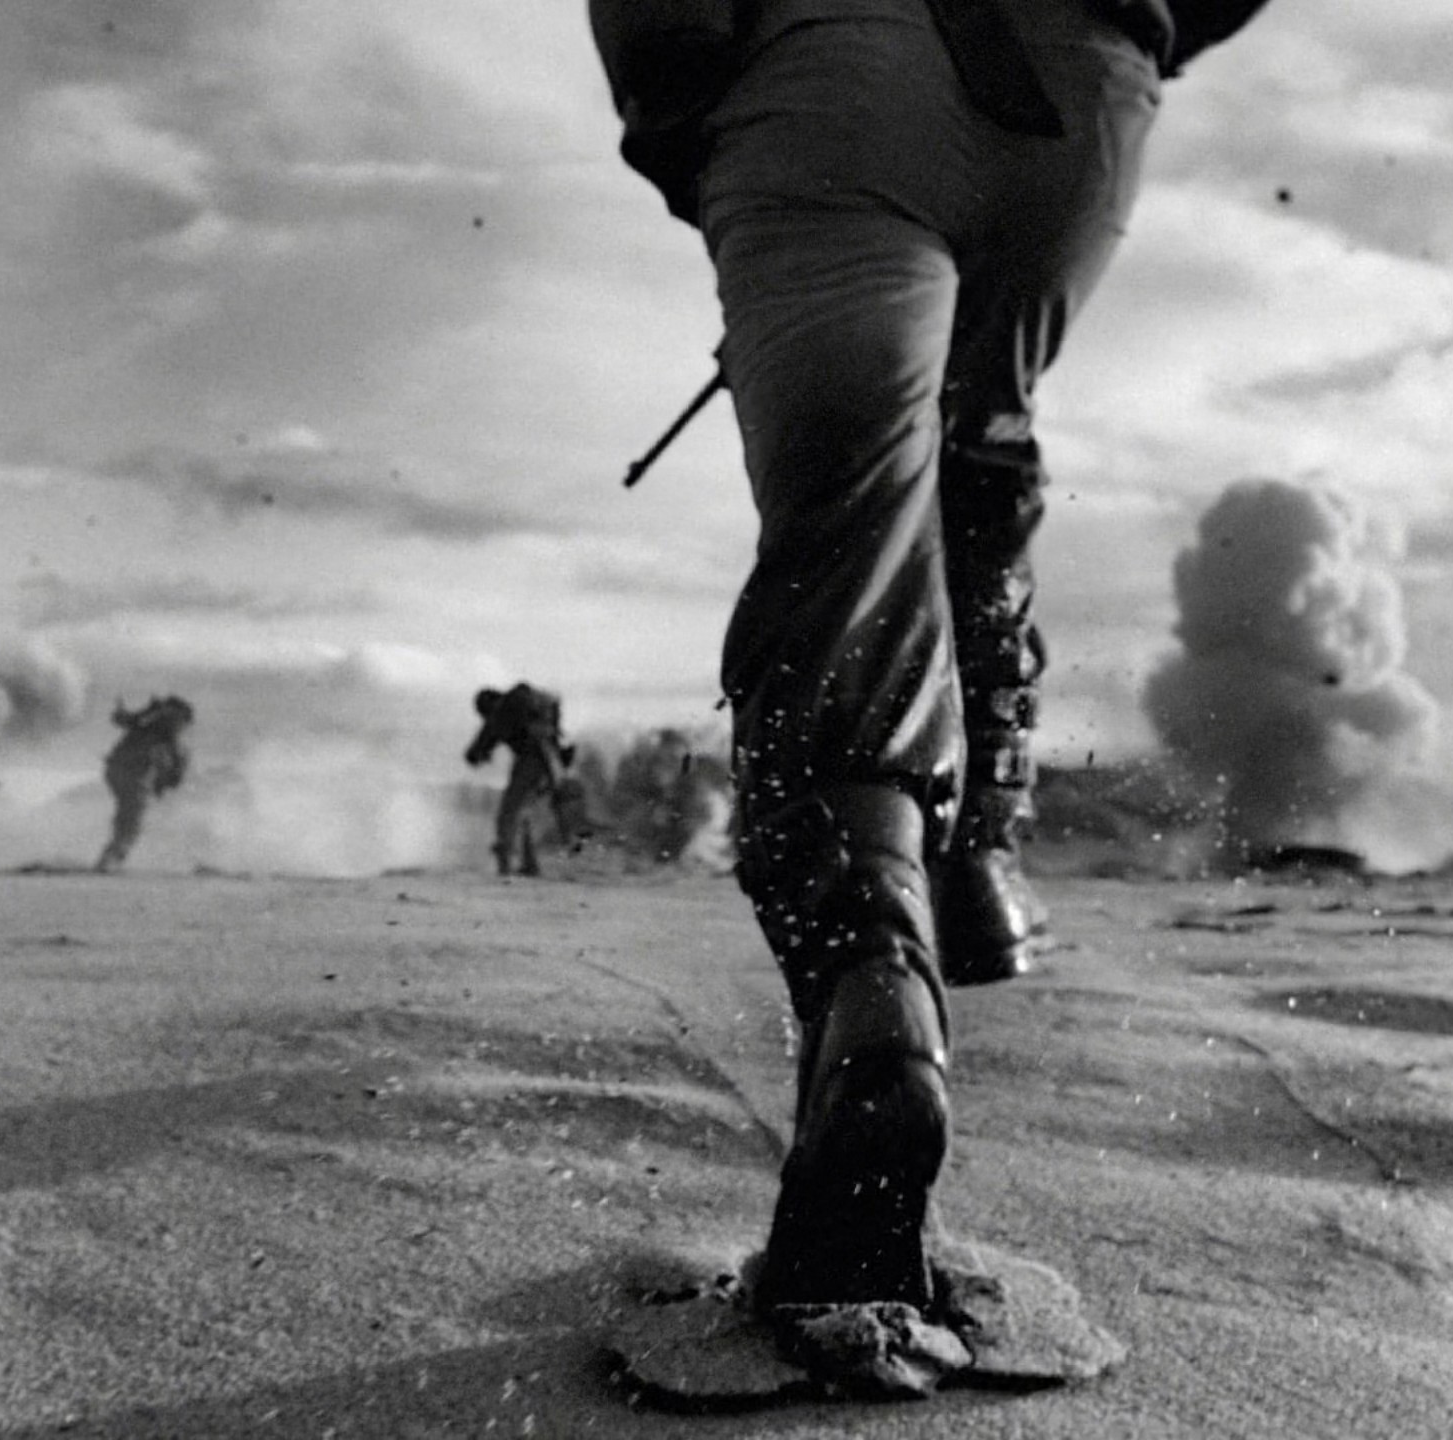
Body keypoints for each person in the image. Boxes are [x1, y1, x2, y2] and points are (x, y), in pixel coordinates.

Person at [591, 0, 1272, 1391]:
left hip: (832, 72)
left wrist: (689, 130)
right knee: (979, 456)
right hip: (1078, 107)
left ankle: (877, 992)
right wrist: (1137, 30)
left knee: (850, 539)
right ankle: (980, 857)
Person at [462, 682, 582, 877]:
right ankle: (530, 864)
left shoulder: (503, 709)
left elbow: (479, 747)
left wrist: (476, 755)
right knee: (523, 813)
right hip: (552, 762)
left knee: (509, 812)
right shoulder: (531, 706)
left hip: (533, 761)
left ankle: (505, 862)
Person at [94, 695, 193, 873]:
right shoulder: (163, 732)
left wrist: (146, 711)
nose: (182, 726)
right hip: (133, 776)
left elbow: (120, 719)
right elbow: (175, 771)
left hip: (117, 771)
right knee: (131, 823)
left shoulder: (146, 726)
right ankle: (109, 860)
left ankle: (110, 857)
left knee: (127, 818)